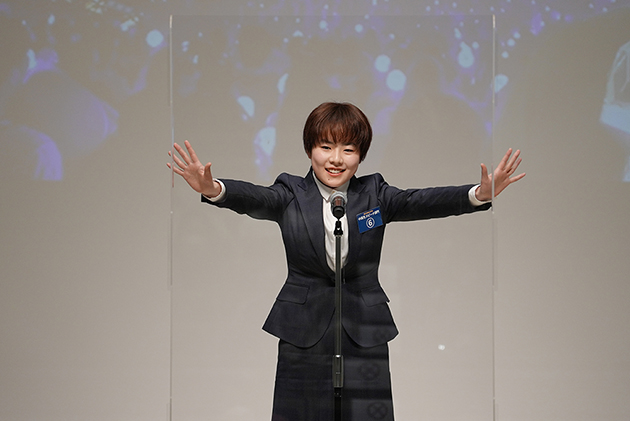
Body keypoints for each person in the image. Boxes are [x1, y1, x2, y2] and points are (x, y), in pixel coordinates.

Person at [167, 102, 524, 421]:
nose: (336, 159)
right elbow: (254, 198)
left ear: (360, 155)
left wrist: (478, 194)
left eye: (348, 149)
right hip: (303, 331)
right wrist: (214, 189)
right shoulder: (290, 193)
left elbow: (421, 201)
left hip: (364, 329)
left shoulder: (375, 196)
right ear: (310, 149)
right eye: (326, 147)